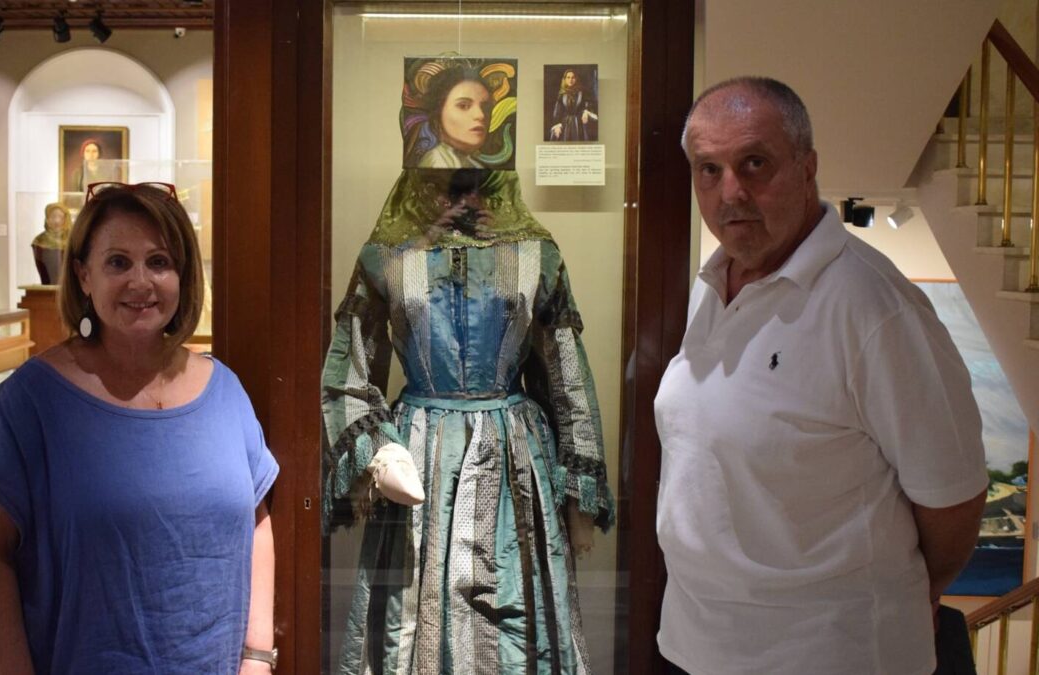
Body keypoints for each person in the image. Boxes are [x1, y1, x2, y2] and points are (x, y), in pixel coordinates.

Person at [654, 76, 988, 675]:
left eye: (754, 163)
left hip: (827, 655)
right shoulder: (717, 281)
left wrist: (899, 595)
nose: (731, 192)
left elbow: (953, 502)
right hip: (696, 645)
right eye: (709, 169)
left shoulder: (875, 309)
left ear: (806, 168)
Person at [322, 57, 613, 674]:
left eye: (486, 104)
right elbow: (349, 369)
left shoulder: (536, 253)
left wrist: (579, 496)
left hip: (515, 462)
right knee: (417, 615)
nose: (478, 116)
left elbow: (566, 373)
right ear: (429, 121)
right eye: (463, 103)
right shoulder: (388, 256)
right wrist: (377, 453)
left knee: (515, 612)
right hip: (418, 457)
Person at [0, 182, 278, 673]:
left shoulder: (225, 392)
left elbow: (256, 522)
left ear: (183, 275)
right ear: (84, 276)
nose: (140, 282)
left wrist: (257, 657)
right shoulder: (28, 404)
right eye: (118, 262)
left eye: (159, 262)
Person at [417, 67, 494, 168]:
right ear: (438, 113)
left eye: (485, 107)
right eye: (463, 106)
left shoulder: (472, 164)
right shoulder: (437, 162)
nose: (481, 115)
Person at [548, 69, 597, 142]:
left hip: (579, 124)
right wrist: (557, 125)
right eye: (568, 77)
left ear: (576, 79)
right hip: (565, 124)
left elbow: (588, 106)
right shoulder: (561, 95)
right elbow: (557, 112)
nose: (570, 80)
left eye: (573, 77)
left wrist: (586, 112)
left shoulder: (582, 93)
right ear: (565, 79)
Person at [31, 202, 71, 284]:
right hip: (47, 285)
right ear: (47, 219)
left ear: (65, 219)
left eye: (60, 217)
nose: (57, 221)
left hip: (68, 285)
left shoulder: (71, 239)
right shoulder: (39, 240)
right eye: (53, 217)